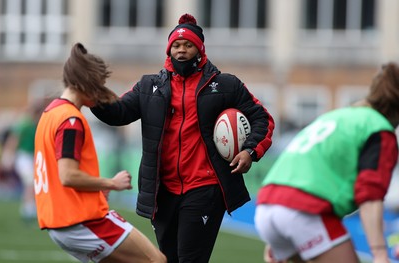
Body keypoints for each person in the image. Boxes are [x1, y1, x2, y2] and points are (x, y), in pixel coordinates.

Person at [91, 13, 275, 263]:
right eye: (176, 46)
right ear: (168, 51)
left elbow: (262, 118)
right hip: (162, 191)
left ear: (199, 49)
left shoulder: (225, 85)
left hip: (204, 189)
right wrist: (91, 93)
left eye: (188, 45)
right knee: (167, 259)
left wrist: (250, 151)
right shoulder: (149, 86)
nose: (181, 50)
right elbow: (118, 112)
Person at [34, 43, 166, 263]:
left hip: (58, 223)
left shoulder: (51, 113)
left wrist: (95, 191)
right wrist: (110, 183)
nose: (101, 92)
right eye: (99, 84)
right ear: (86, 82)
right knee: (156, 260)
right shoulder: (70, 120)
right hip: (81, 221)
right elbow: (67, 176)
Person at [254, 63, 399, 263]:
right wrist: (380, 253)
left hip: (267, 207)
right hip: (304, 211)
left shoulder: (338, 116)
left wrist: (278, 230)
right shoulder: (378, 129)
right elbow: (370, 196)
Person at [1, 102, 42, 222]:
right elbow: (14, 140)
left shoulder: (35, 125)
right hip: (23, 156)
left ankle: (29, 207)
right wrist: (8, 156)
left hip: (31, 156)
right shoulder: (24, 125)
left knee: (34, 182)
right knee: (30, 182)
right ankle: (28, 209)